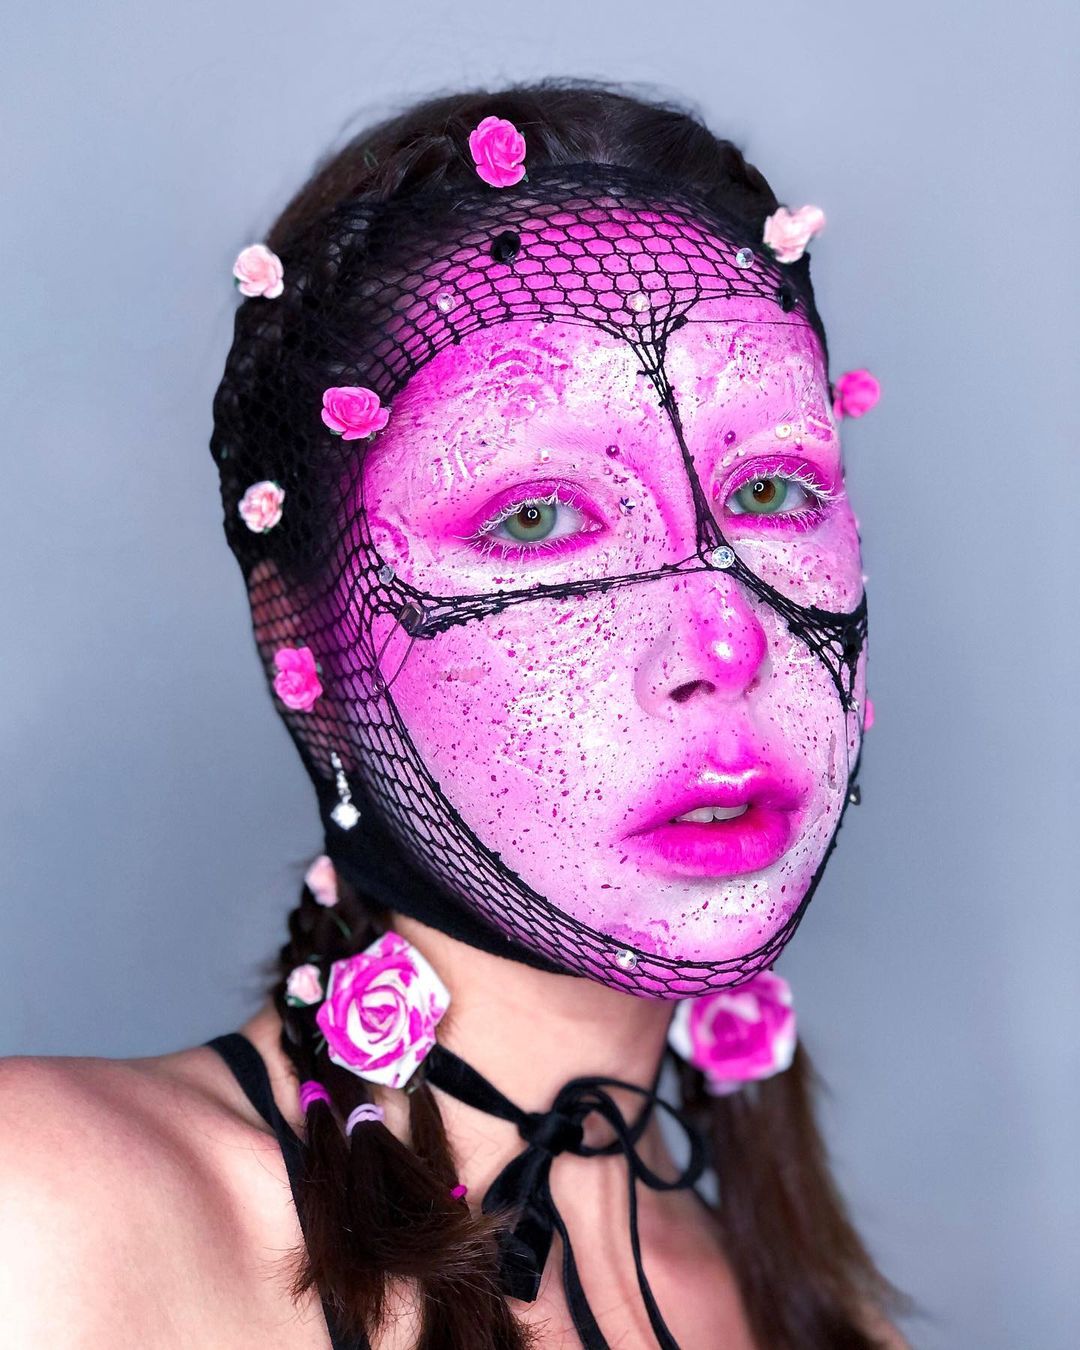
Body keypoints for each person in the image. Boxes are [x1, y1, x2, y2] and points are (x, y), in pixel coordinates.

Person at [0, 80, 905, 1349]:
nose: (725, 636)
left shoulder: (808, 1314)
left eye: (771, 489)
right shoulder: (46, 1222)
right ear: (303, 644)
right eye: (535, 516)